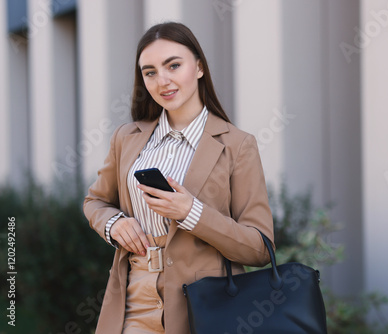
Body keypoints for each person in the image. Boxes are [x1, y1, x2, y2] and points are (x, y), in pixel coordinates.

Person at [83, 22, 274, 334]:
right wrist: (113, 223)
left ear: (198, 67)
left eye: (173, 65)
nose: (163, 80)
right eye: (150, 72)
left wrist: (192, 213)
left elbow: (260, 248)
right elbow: (96, 201)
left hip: (205, 304)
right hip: (135, 297)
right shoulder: (126, 138)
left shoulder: (237, 145)